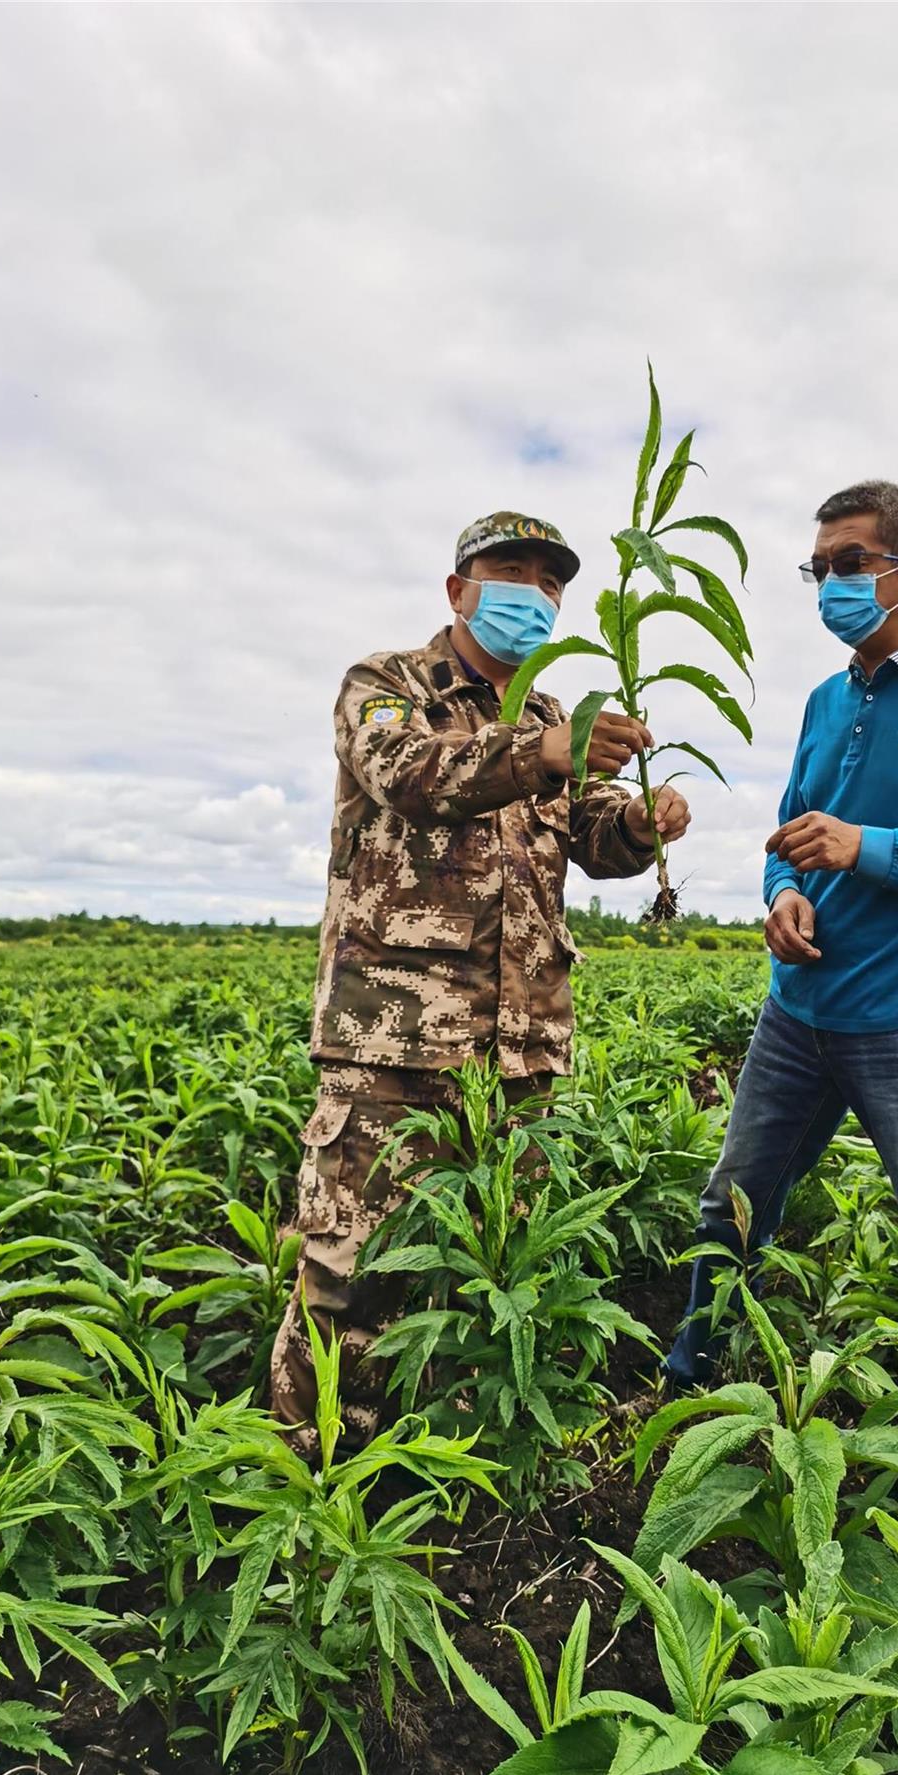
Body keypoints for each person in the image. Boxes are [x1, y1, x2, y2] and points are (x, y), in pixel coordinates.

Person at [271, 511, 691, 1458]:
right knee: (353, 1271)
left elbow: (586, 837)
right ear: (457, 588)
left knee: (493, 1261)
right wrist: (538, 756)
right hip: (396, 1038)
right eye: (509, 571)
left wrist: (639, 826)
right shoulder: (387, 686)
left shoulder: (552, 717)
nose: (532, 595)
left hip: (521, 1044)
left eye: (550, 582)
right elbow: (400, 772)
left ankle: (457, 1463)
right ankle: (314, 1474)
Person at [663, 480, 898, 1416]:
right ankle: (685, 1380)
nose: (828, 582)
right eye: (818, 567)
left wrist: (863, 847)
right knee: (733, 1208)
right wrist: (784, 892)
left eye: (848, 565)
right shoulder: (826, 703)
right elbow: (790, 833)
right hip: (797, 1015)